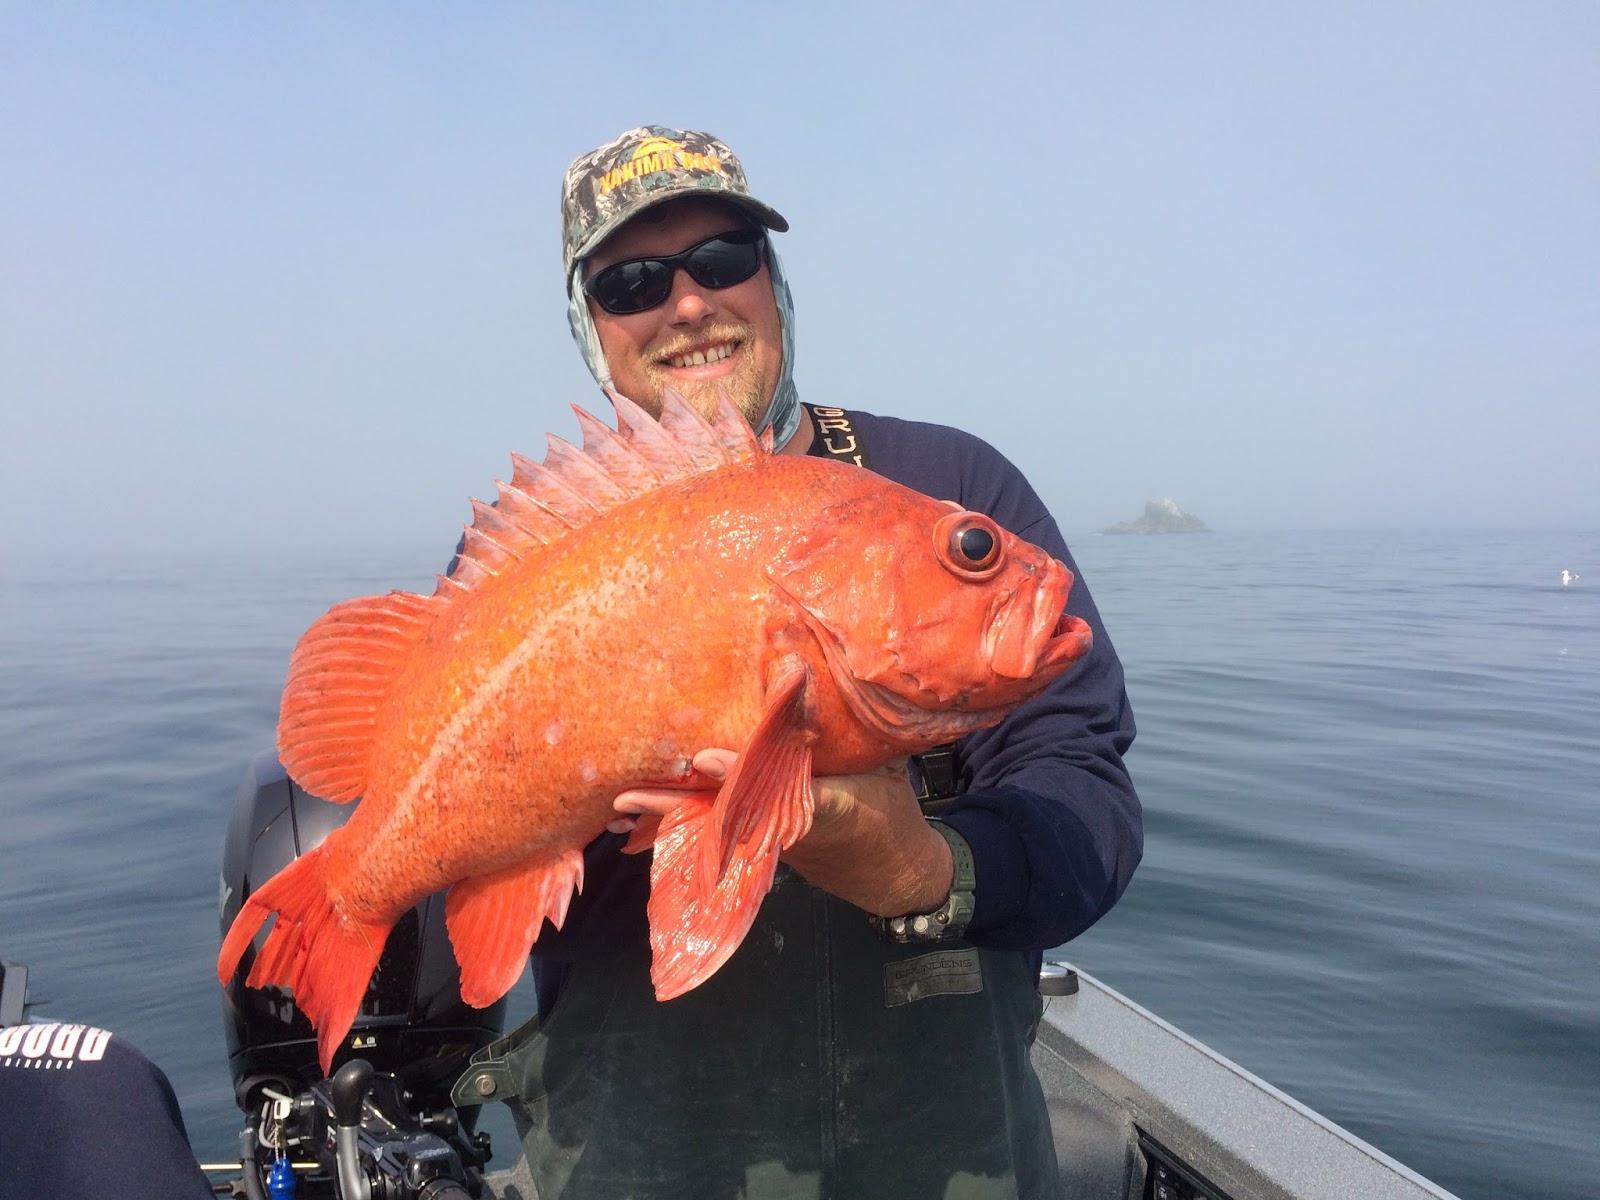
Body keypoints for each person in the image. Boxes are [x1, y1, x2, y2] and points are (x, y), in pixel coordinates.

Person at [454, 127, 1143, 1200]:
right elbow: (464, 858)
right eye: (631, 281)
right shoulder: (535, 563)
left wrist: (926, 871)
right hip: (637, 1162)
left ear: (773, 281)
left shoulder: (947, 485)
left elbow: (1086, 804)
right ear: (591, 330)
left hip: (948, 1163)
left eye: (723, 257)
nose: (686, 303)